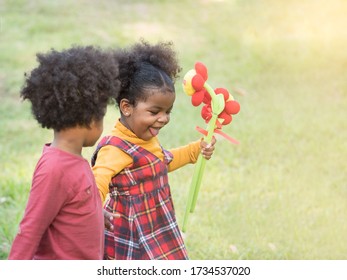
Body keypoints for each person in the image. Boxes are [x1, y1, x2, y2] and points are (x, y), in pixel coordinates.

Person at [91, 40, 216, 260]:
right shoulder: (115, 148)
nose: (164, 118)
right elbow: (97, 182)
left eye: (168, 111)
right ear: (127, 107)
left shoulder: (146, 139)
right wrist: (95, 209)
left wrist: (196, 149)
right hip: (130, 232)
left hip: (156, 225)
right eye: (155, 111)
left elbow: (162, 163)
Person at [8, 46, 120, 260]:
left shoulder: (73, 159)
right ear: (90, 119)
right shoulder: (55, 169)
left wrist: (96, 214)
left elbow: (73, 201)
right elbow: (29, 231)